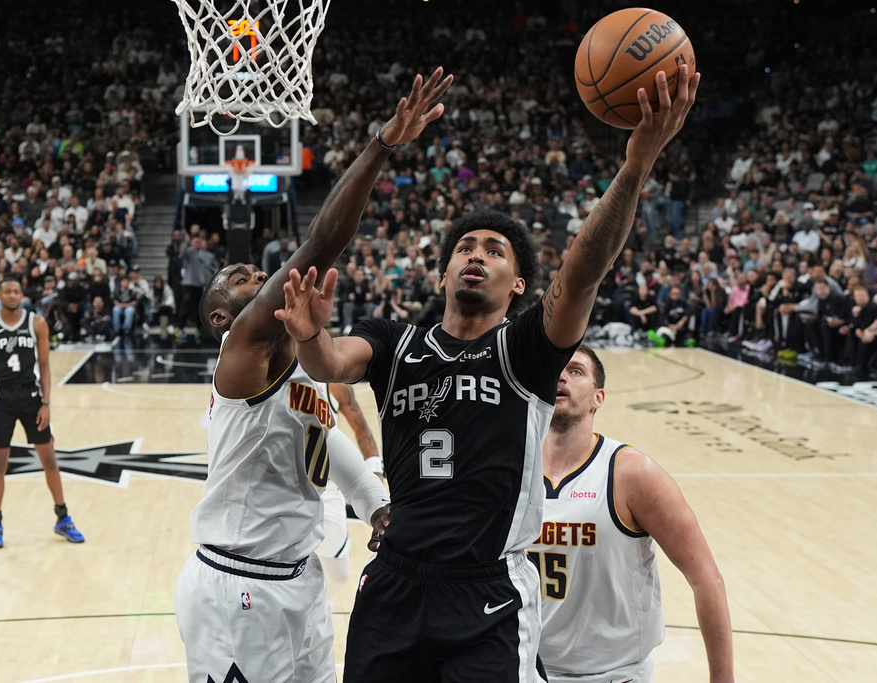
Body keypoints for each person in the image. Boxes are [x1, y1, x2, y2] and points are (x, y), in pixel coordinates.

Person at [277, 65, 699, 683]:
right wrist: (310, 332)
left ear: (521, 284)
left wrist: (634, 168)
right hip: (394, 580)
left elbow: (582, 269)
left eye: (495, 250)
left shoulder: (527, 350)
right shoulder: (397, 342)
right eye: (465, 247)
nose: (477, 253)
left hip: (488, 592)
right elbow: (328, 364)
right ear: (443, 274)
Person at [174, 68, 452, 683]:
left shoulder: (296, 360)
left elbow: (324, 440)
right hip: (237, 590)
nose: (259, 274)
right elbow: (325, 241)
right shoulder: (242, 352)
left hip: (298, 582)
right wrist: (381, 145)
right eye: (243, 277)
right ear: (223, 315)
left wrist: (376, 504)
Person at [532, 346, 733, 683]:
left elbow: (705, 577)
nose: (561, 376)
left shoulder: (633, 473)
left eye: (576, 371)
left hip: (613, 674)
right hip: (526, 668)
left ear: (599, 397)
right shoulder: (515, 467)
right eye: (554, 369)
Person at [0, 275, 84, 548]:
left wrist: (47, 403)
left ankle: (62, 518)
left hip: (32, 398)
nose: (13, 295)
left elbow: (46, 367)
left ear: (22, 295)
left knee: (49, 459)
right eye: (8, 291)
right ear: (0, 295)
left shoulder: (36, 323)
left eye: (17, 291)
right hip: (1, 397)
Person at [318, 383, 385, 593]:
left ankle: (322, 607)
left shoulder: (334, 383)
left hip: (328, 488)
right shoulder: (274, 373)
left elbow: (361, 428)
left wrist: (375, 470)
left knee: (340, 575)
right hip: (289, 489)